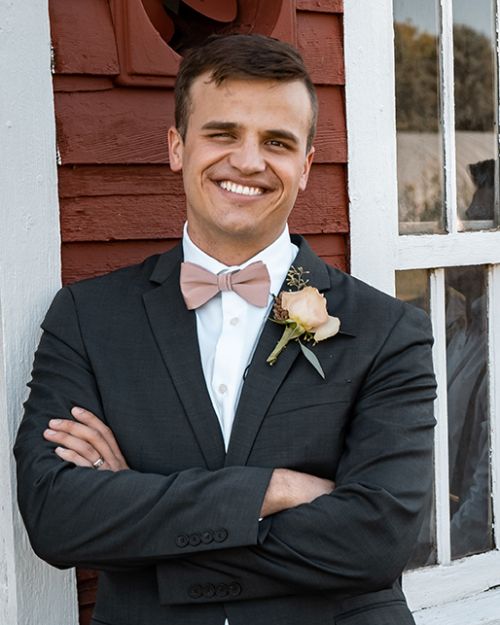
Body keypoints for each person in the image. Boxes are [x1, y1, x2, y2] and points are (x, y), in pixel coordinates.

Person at [15, 34, 437, 625]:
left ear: (307, 166)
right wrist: (275, 490)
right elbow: (57, 516)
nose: (248, 161)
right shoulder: (86, 317)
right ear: (177, 147)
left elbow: (377, 540)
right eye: (223, 134)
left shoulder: (390, 330)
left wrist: (138, 512)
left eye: (277, 142)